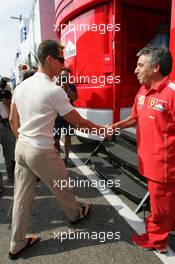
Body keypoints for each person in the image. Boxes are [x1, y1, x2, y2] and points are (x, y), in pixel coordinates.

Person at [9, 39, 112, 259]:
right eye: (61, 60)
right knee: (63, 185)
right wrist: (103, 130)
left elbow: (11, 119)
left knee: (21, 197)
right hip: (41, 151)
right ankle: (76, 214)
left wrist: (22, 140)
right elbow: (78, 122)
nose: (64, 65)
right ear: (49, 59)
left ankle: (16, 243)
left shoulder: (21, 86)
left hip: (23, 148)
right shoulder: (53, 90)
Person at [112, 46, 174, 253]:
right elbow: (136, 118)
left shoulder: (172, 94)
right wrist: (115, 127)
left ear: (156, 67)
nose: (135, 70)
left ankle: (157, 242)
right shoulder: (142, 91)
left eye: (140, 65)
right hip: (147, 160)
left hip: (164, 165)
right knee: (162, 204)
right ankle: (167, 226)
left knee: (160, 206)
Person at [54, 67, 77, 167]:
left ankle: (67, 157)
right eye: (63, 76)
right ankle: (58, 159)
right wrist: (59, 88)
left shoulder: (71, 86)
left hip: (68, 116)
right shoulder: (54, 86)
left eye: (67, 76)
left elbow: (75, 98)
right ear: (59, 76)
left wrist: (67, 88)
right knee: (56, 139)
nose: (65, 78)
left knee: (68, 138)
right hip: (57, 117)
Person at [0, 81, 15, 187]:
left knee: (10, 153)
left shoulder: (7, 96)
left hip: (6, 126)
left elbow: (11, 116)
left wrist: (7, 104)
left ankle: (11, 176)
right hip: (4, 126)